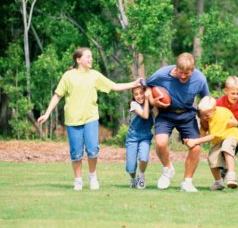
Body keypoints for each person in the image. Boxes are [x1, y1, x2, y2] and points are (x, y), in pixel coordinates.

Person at [37, 47, 142, 191]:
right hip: (73, 119)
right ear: (78, 60)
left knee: (92, 150)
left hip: (91, 118)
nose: (91, 59)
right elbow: (57, 95)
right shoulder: (68, 76)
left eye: (91, 56)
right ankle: (78, 180)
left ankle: (93, 177)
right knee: (76, 153)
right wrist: (47, 113)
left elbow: (114, 86)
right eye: (88, 56)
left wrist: (134, 84)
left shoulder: (95, 75)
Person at [146, 52, 210, 192]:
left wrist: (207, 118)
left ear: (193, 70)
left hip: (187, 115)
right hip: (166, 113)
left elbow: (207, 100)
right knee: (160, 143)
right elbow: (147, 87)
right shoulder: (162, 74)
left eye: (187, 73)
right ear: (176, 68)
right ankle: (168, 168)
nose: (183, 76)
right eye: (180, 72)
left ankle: (187, 183)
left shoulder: (200, 79)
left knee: (196, 148)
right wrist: (152, 101)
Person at [184, 96, 238, 190]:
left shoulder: (221, 114)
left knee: (226, 148)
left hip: (231, 134)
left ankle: (232, 176)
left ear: (214, 110)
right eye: (203, 115)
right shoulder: (206, 117)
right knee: (212, 159)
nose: (204, 117)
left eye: (207, 115)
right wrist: (191, 141)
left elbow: (213, 136)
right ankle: (219, 182)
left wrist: (195, 141)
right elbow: (202, 135)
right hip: (220, 138)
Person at [125, 86, 154, 189]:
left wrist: (149, 99)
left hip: (145, 136)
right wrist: (146, 99)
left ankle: (141, 176)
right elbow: (145, 115)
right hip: (133, 136)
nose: (139, 96)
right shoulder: (134, 104)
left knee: (143, 157)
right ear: (133, 96)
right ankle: (133, 178)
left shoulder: (151, 104)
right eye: (136, 94)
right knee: (131, 167)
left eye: (141, 93)